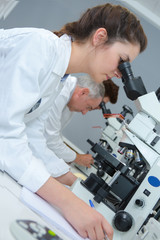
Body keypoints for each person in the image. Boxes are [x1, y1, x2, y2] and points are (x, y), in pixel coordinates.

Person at [0, 3, 147, 240]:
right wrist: (69, 202)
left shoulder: (59, 77)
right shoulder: (40, 47)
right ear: (100, 37)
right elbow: (5, 138)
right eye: (122, 61)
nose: (121, 74)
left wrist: (71, 188)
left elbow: (33, 136)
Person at [44, 75, 119, 168]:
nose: (99, 108)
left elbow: (55, 132)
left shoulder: (71, 103)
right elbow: (50, 137)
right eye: (101, 104)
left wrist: (67, 156)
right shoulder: (63, 93)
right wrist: (76, 158)